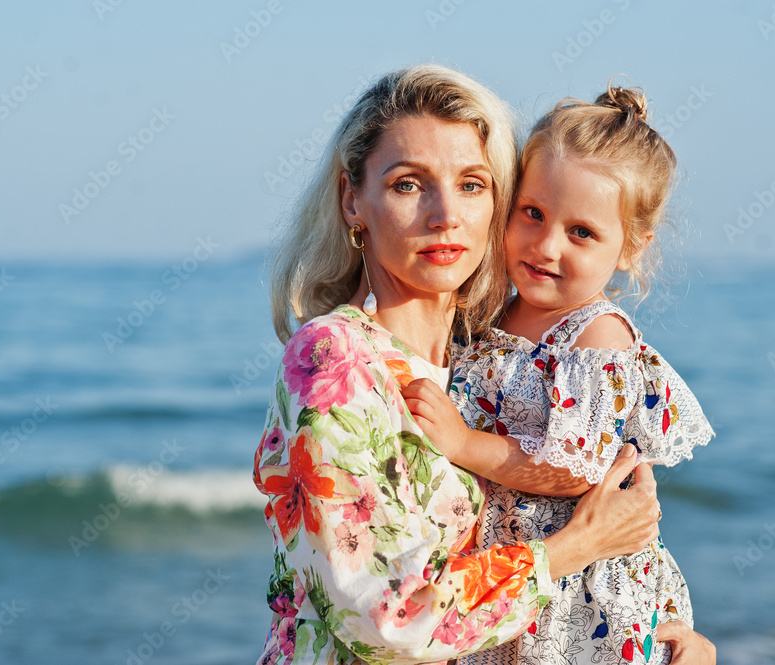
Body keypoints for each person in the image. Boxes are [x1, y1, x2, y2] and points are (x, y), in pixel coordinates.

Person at [254, 65, 714, 665]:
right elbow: (388, 621)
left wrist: (673, 635)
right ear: (352, 200)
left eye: (472, 184)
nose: (445, 214)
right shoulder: (334, 360)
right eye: (407, 184)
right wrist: (576, 547)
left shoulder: (483, 357)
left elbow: (587, 495)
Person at [401, 83, 715, 665]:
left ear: (631, 248)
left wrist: (463, 442)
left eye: (581, 233)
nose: (546, 246)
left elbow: (574, 469)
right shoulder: (491, 311)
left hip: (582, 596)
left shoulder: (596, 338)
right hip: (513, 572)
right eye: (533, 214)